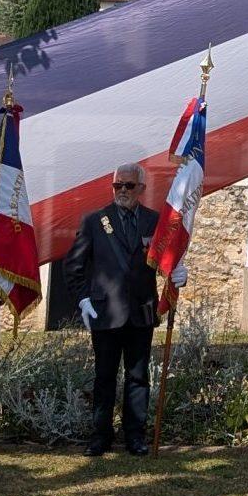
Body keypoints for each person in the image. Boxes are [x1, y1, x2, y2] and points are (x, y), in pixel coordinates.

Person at [61, 163, 187, 457]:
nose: (123, 191)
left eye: (129, 186)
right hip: (105, 313)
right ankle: (100, 436)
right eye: (118, 186)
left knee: (138, 376)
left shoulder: (154, 222)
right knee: (104, 376)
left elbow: (168, 258)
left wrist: (179, 273)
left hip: (141, 311)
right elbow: (73, 266)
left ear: (141, 189)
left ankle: (135, 436)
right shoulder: (95, 221)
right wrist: (83, 299)